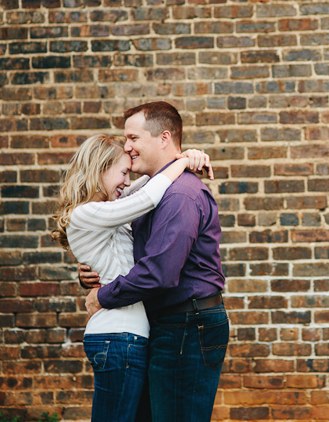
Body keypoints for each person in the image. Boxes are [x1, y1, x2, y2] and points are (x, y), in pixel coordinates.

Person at [82, 101, 228, 422]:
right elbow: (130, 251)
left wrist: (101, 297)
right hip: (168, 324)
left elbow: (158, 273)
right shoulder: (155, 191)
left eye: (133, 138)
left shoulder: (179, 196)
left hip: (186, 326)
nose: (127, 146)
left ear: (163, 138)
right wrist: (93, 272)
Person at [51, 134, 211, 422]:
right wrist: (185, 160)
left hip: (126, 337)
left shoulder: (107, 210)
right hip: (116, 337)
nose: (127, 181)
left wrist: (183, 157)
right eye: (123, 172)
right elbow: (149, 195)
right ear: (99, 169)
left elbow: (146, 184)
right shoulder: (88, 213)